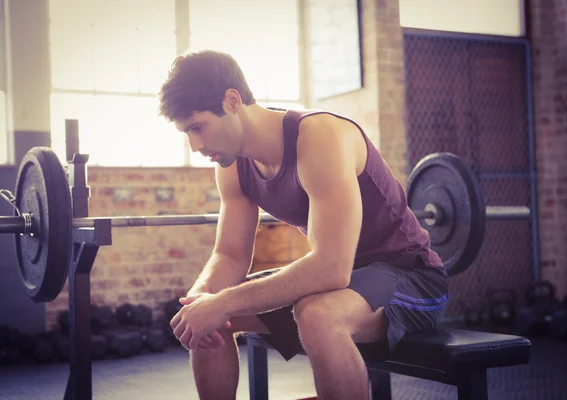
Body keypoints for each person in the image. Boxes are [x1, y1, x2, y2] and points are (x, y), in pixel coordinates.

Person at [160, 50, 449, 400]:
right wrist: (203, 299)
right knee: (206, 319)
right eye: (186, 133)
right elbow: (230, 254)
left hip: (411, 277)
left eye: (197, 127)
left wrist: (223, 302)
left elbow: (330, 269)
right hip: (342, 284)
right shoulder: (232, 165)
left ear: (232, 101)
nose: (195, 146)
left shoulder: (319, 136)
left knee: (317, 315)